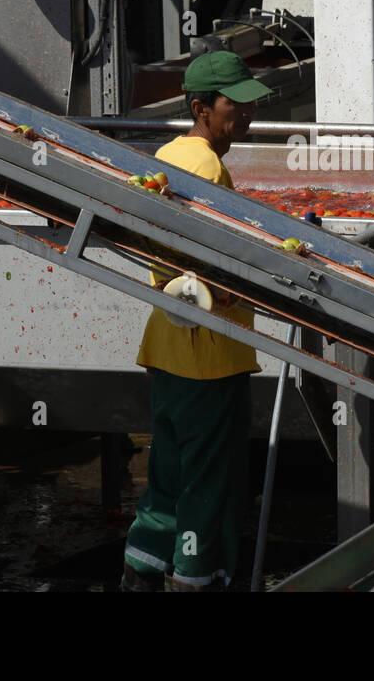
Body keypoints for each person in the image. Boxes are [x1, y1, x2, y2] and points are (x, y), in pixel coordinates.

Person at [122, 50, 271, 592]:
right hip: (210, 354)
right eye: (236, 105)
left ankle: (141, 572)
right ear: (201, 107)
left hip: (167, 346)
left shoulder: (165, 154)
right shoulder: (208, 168)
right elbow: (217, 261)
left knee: (167, 476)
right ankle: (196, 578)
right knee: (210, 480)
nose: (247, 115)